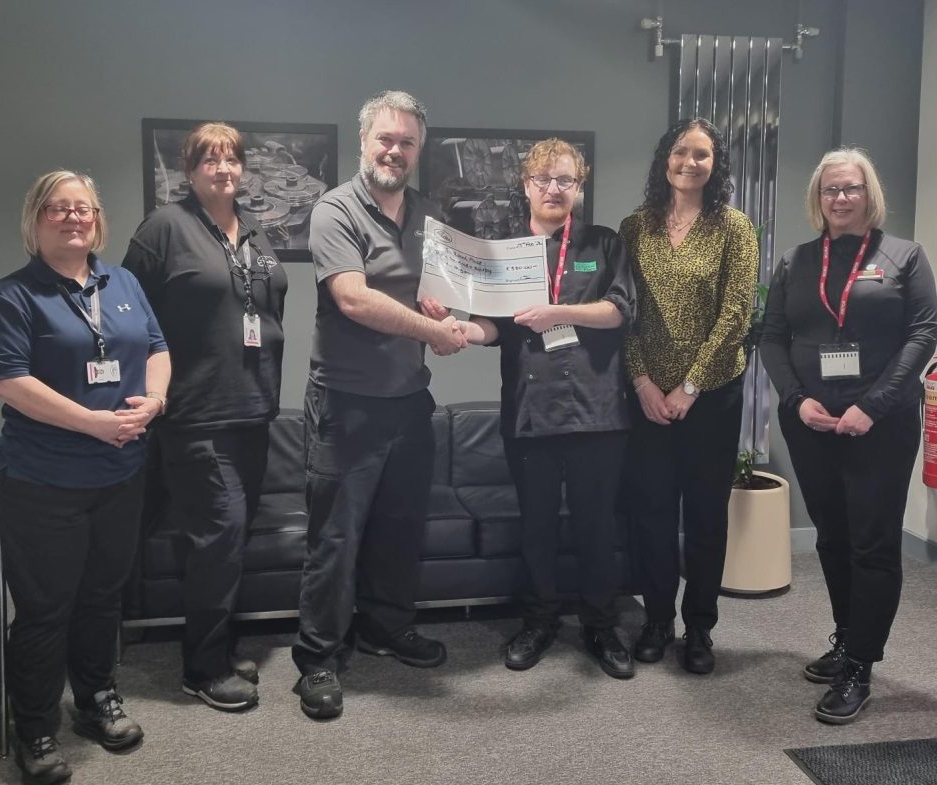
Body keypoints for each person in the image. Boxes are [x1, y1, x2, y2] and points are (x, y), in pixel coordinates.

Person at [0, 171, 170, 783]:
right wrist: (91, 423)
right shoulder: (12, 296)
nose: (73, 218)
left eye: (83, 208)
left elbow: (158, 347)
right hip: (43, 481)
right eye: (58, 209)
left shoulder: (124, 282)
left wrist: (155, 402)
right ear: (36, 221)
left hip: (120, 473)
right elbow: (9, 381)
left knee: (102, 598)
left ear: (97, 220)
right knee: (44, 608)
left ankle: (95, 701)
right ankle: (35, 727)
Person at [292, 90, 466, 720]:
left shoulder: (427, 212)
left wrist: (441, 312)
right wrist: (432, 333)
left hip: (407, 402)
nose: (395, 150)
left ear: (418, 150)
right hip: (345, 403)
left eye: (407, 142)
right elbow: (354, 299)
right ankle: (317, 656)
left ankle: (385, 629)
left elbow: (435, 292)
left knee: (399, 527)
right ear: (363, 141)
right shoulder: (335, 210)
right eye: (385, 139)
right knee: (335, 537)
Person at [434, 139, 637, 676]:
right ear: (526, 185)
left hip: (598, 411)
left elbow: (619, 311)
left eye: (565, 180)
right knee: (538, 526)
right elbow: (492, 328)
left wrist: (558, 311)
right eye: (543, 179)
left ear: (579, 187)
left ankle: (600, 625)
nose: (553, 189)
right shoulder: (502, 249)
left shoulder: (604, 242)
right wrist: (456, 328)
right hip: (529, 411)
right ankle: (540, 621)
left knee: (596, 526)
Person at [760, 148, 937, 724]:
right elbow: (772, 337)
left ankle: (862, 664)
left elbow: (924, 334)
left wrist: (874, 405)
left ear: (869, 194)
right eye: (830, 190)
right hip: (811, 423)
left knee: (872, 543)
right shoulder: (796, 260)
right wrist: (798, 399)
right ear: (818, 198)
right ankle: (845, 640)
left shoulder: (904, 257)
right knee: (833, 538)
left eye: (851, 189)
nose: (840, 198)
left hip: (878, 426)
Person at [123, 122, 287, 712]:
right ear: (189, 170)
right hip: (195, 415)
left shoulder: (256, 231)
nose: (224, 169)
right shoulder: (164, 229)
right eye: (210, 160)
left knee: (230, 539)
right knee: (217, 536)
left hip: (254, 410)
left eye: (232, 159)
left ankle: (213, 642)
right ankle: (203, 668)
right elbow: (128, 319)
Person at [619, 118, 759, 675]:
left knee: (705, 516)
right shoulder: (635, 228)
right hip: (648, 397)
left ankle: (699, 627)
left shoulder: (734, 227)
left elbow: (735, 316)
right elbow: (623, 312)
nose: (691, 162)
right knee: (651, 513)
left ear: (715, 164)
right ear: (665, 159)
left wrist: (690, 386)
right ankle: (657, 619)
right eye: (682, 152)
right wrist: (643, 382)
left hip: (713, 396)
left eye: (702, 154)